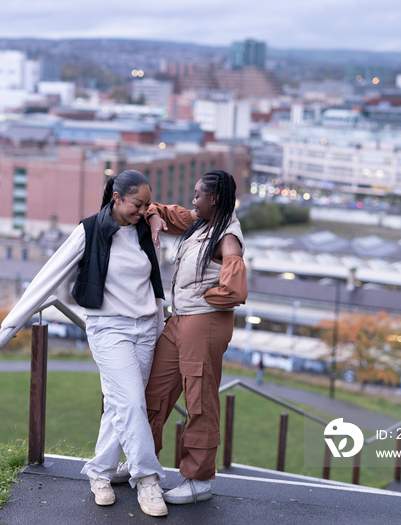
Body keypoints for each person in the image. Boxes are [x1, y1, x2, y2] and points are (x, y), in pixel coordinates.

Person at [0, 170, 168, 517]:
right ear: (116, 198)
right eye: (138, 204)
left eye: (147, 204)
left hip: (146, 328)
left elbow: (153, 277)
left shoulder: (143, 228)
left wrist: (155, 214)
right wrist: (10, 325)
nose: (143, 210)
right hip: (109, 329)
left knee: (122, 405)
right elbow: (50, 274)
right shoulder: (89, 230)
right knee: (133, 402)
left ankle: (100, 473)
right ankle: (147, 479)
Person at [144, 169, 247, 505]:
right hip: (180, 321)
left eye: (198, 195)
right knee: (153, 389)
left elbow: (235, 289)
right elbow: (164, 211)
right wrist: (153, 216)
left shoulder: (226, 236)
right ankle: (142, 462)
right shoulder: (201, 220)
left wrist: (209, 299)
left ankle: (198, 479)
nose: (193, 200)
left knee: (199, 401)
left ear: (213, 199)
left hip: (203, 324)